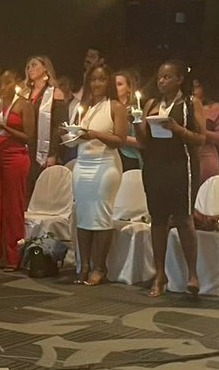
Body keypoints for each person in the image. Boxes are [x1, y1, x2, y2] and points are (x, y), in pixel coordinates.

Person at [137, 59, 206, 298]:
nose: (161, 81)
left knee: (184, 218)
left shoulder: (190, 103)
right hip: (155, 166)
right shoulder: (151, 104)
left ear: (179, 79)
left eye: (167, 77)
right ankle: (159, 273)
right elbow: (144, 142)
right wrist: (137, 123)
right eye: (159, 77)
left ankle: (192, 274)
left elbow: (200, 138)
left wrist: (177, 129)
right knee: (158, 220)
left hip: (181, 165)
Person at [67, 64, 127, 286]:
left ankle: (100, 267)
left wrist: (94, 134)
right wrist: (70, 135)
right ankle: (83, 265)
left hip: (105, 165)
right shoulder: (83, 106)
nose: (97, 84)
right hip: (82, 164)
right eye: (93, 79)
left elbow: (119, 140)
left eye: (101, 79)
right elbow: (75, 134)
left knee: (101, 215)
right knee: (83, 215)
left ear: (108, 82)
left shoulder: (115, 107)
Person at [0, 70, 30, 270]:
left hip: (15, 152)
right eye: (0, 83)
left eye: (7, 82)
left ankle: (13, 257)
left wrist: (6, 126)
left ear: (16, 83)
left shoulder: (24, 105)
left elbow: (28, 136)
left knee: (13, 206)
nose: (3, 87)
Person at [22, 55, 67, 198]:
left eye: (34, 65)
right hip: (25, 147)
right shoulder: (24, 94)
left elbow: (57, 126)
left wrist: (52, 154)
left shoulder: (55, 93)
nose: (30, 69)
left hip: (43, 149)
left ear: (46, 68)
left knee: (39, 190)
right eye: (28, 66)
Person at [192, 77, 219, 183]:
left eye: (197, 86)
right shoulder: (183, 106)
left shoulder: (215, 108)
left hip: (205, 158)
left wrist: (201, 132)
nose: (193, 90)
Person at [114, 69, 142, 171]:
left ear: (129, 89)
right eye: (113, 85)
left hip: (128, 157)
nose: (115, 88)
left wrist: (117, 137)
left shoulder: (135, 111)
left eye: (119, 84)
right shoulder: (106, 108)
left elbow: (139, 142)